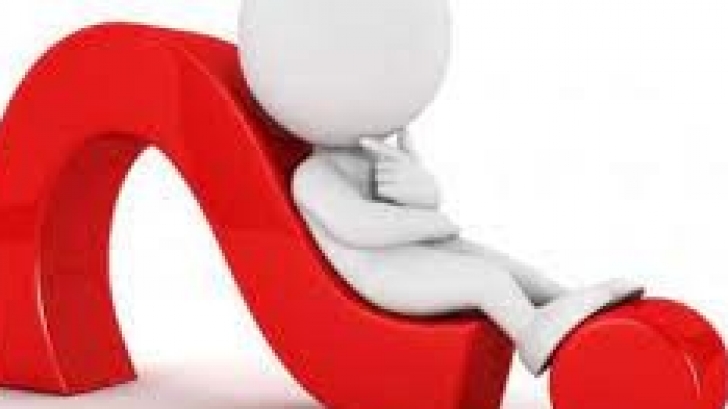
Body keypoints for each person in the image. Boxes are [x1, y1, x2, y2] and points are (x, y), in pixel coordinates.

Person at [238, 0, 643, 375]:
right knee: (485, 280)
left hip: (416, 254)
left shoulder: (377, 157)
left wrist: (418, 190)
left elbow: (425, 204)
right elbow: (362, 229)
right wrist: (430, 223)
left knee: (497, 263)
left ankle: (562, 299)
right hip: (383, 275)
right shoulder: (313, 177)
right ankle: (532, 332)